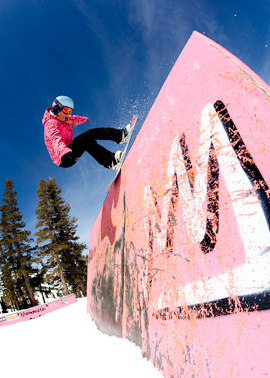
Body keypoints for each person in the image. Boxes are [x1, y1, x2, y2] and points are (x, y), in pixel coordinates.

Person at [42, 95, 133, 169]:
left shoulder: (63, 117)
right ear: (58, 108)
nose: (68, 114)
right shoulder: (51, 124)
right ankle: (120, 138)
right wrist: (63, 152)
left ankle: (112, 159)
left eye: (69, 111)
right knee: (87, 136)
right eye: (66, 110)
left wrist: (83, 119)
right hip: (64, 157)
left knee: (88, 140)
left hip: (68, 148)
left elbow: (74, 118)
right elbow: (55, 139)